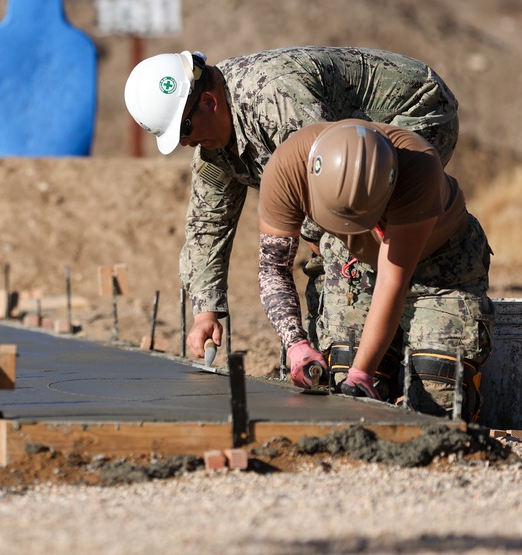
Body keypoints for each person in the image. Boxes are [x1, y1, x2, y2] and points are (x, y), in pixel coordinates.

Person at [124, 46, 461, 362]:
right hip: (353, 133)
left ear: (210, 103)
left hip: (418, 109)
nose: (185, 143)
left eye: (183, 129)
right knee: (335, 242)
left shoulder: (275, 98)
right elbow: (207, 225)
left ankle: (369, 349)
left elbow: (329, 183)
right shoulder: (212, 147)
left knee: (353, 216)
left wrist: (326, 259)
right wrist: (206, 312)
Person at [257, 119, 493, 419]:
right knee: (345, 394)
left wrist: (362, 374)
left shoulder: (419, 167)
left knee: (437, 407)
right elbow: (273, 268)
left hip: (441, 263)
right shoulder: (286, 167)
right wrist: (296, 345)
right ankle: (389, 373)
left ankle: (409, 375)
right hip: (355, 261)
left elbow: (392, 280)